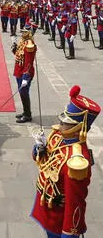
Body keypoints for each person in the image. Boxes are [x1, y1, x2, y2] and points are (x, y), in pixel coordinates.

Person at [30, 85, 99, 238]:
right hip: (45, 206)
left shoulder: (76, 161)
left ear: (78, 127)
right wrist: (38, 150)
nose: (60, 125)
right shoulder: (57, 136)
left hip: (58, 217)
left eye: (66, 123)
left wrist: (69, 232)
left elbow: (75, 202)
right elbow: (45, 161)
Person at [12, 24, 37, 123]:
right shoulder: (23, 41)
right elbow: (19, 55)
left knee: (24, 93)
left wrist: (26, 77)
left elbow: (28, 62)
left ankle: (28, 115)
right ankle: (25, 111)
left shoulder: (29, 44)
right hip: (19, 70)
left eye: (24, 32)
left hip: (25, 72)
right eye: (22, 31)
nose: (22, 33)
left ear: (29, 33)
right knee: (22, 93)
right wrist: (14, 49)